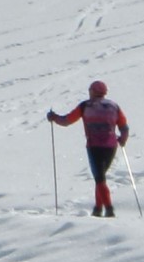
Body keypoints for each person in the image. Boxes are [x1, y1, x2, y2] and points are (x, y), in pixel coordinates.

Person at [47, 80, 129, 217]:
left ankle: (109, 209)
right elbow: (124, 126)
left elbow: (67, 121)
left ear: (92, 91)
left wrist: (54, 117)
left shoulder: (85, 106)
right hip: (111, 146)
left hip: (94, 146)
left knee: (99, 178)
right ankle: (97, 209)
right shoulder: (114, 107)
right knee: (100, 177)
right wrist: (123, 138)